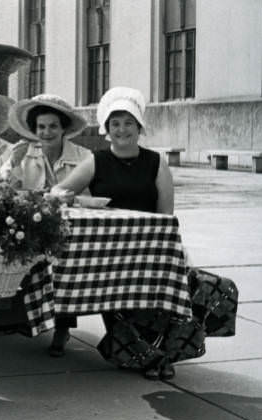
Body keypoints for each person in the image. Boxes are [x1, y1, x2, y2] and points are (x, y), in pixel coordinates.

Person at [51, 86, 176, 379]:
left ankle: (155, 351)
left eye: (128, 122)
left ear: (139, 127)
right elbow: (58, 192)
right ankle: (150, 357)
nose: (122, 130)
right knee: (115, 293)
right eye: (115, 123)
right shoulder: (97, 161)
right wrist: (84, 200)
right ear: (107, 129)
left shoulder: (157, 163)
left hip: (148, 249)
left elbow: (167, 216)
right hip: (108, 255)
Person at [4, 94, 91, 357]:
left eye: (53, 126)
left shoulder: (83, 156)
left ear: (63, 128)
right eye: (41, 127)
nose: (47, 132)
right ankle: (24, 317)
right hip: (32, 226)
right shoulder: (21, 153)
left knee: (66, 265)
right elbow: (3, 190)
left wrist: (72, 197)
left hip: (72, 228)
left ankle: (62, 327)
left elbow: (91, 196)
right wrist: (14, 165)